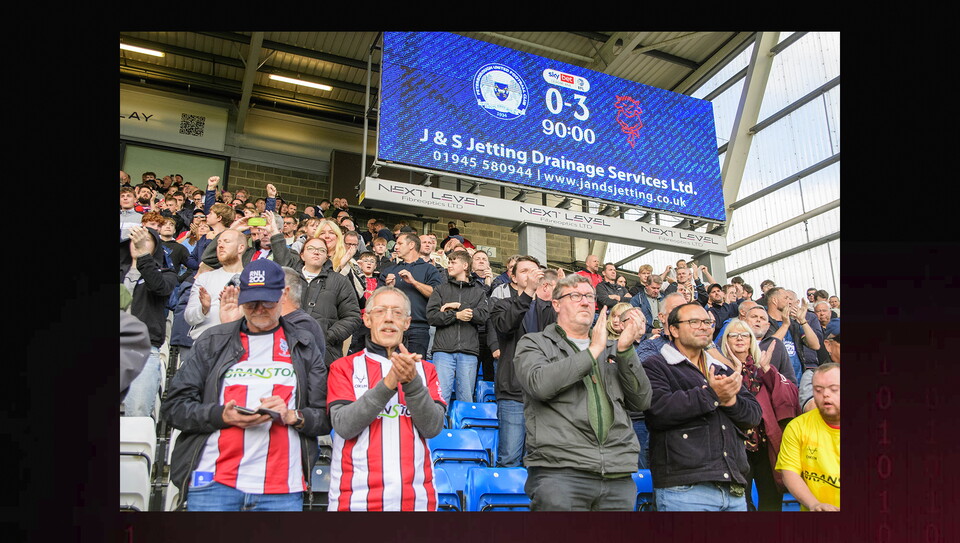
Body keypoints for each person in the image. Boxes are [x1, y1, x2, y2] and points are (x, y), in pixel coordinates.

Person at [161, 258, 330, 511]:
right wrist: (221, 415)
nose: (259, 308)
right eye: (251, 302)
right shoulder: (213, 340)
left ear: (283, 294)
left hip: (282, 488)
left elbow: (324, 416)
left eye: (267, 301)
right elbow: (174, 408)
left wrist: (292, 415)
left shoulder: (303, 343)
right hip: (214, 482)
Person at [514, 274, 652, 511]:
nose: (586, 302)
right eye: (576, 296)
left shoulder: (613, 348)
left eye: (589, 296)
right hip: (560, 472)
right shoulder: (534, 343)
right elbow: (539, 384)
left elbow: (642, 400)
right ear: (556, 304)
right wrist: (593, 350)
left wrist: (626, 351)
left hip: (617, 475)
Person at [326, 286, 447, 511]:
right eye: (381, 311)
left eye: (397, 313)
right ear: (367, 319)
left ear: (407, 323)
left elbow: (432, 427)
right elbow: (344, 426)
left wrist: (411, 384)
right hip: (355, 501)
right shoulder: (343, 367)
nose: (389, 318)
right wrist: (389, 383)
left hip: (417, 501)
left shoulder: (426, 370)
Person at [642, 302, 762, 511]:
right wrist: (712, 395)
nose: (704, 327)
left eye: (707, 322)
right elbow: (658, 411)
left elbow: (753, 414)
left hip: (733, 490)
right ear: (673, 329)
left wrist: (730, 401)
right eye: (694, 322)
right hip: (684, 490)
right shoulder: (656, 365)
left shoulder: (721, 368)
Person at [720, 319, 800, 511]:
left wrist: (767, 369)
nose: (739, 338)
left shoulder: (762, 369)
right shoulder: (719, 369)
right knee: (740, 502)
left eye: (744, 334)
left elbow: (788, 398)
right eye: (733, 335)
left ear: (751, 340)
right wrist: (736, 375)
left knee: (771, 499)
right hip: (735, 445)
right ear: (726, 341)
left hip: (765, 444)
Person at [489, 256, 555, 467]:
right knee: (509, 458)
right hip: (513, 392)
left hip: (542, 394)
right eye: (525, 271)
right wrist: (528, 293)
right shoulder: (502, 305)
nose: (530, 275)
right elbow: (506, 325)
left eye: (534, 271)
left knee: (537, 462)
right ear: (513, 277)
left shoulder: (548, 309)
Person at [120, 225, 177, 417]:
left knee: (137, 414)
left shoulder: (166, 273)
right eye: (134, 239)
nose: (137, 242)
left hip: (143, 351)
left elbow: (158, 288)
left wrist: (144, 257)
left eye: (145, 239)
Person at [426, 250, 489, 405]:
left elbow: (483, 317)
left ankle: (464, 430)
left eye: (453, 262)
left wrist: (459, 306)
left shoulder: (479, 292)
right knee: (439, 400)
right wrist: (456, 316)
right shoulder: (441, 289)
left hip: (468, 352)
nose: (449, 265)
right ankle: (439, 430)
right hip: (443, 351)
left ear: (465, 265)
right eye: (449, 262)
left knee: (466, 399)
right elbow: (432, 316)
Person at [775, 363, 840, 511]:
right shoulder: (797, 426)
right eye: (818, 390)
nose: (825, 394)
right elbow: (789, 473)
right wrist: (814, 504)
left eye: (834, 389)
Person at [292, 237, 362, 366]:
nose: (316, 252)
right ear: (302, 255)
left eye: (321, 250)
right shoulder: (289, 278)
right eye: (311, 248)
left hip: (325, 353)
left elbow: (352, 316)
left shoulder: (339, 281)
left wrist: (327, 337)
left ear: (326, 257)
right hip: (288, 349)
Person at [379, 233, 442, 357]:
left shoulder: (430, 270)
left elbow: (436, 295)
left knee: (415, 371)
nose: (396, 247)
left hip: (419, 328)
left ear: (411, 245)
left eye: (400, 243)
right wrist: (389, 288)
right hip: (392, 326)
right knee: (389, 369)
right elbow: (376, 300)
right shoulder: (389, 271)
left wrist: (414, 282)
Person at [184, 228, 247, 343]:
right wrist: (203, 309)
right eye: (219, 243)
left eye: (226, 242)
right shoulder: (205, 278)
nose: (221, 246)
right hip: (204, 344)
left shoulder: (250, 279)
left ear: (241, 248)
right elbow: (189, 318)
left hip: (238, 343)